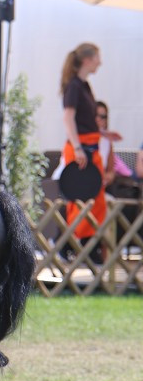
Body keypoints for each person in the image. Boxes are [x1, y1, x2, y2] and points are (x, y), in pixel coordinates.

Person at [60, 44, 121, 260]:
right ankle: (74, 247)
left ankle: (90, 248)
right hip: (81, 149)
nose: (100, 62)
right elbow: (68, 118)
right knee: (81, 198)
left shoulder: (84, 86)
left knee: (94, 198)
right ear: (87, 59)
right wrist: (77, 148)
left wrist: (104, 133)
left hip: (90, 146)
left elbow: (85, 122)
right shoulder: (74, 87)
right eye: (98, 57)